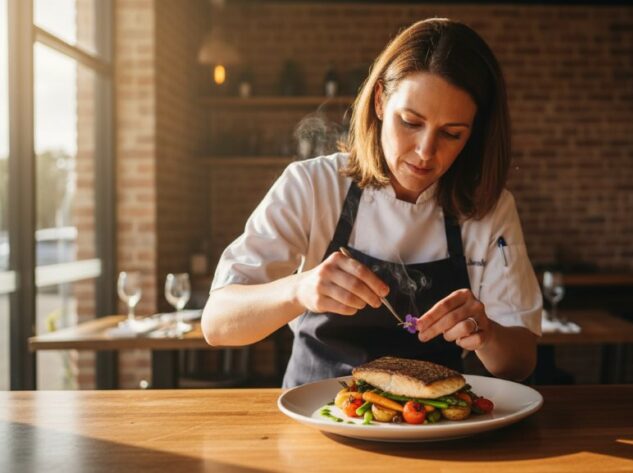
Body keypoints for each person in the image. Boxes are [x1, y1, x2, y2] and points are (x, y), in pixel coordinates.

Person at [202, 18, 542, 388]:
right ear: (380, 101)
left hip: (429, 422)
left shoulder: (488, 207)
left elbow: (519, 363)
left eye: (451, 133)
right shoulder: (312, 185)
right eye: (410, 122)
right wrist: (298, 289)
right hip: (318, 416)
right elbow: (218, 324)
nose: (425, 152)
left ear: (474, 133)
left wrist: (487, 333)